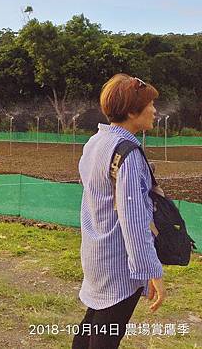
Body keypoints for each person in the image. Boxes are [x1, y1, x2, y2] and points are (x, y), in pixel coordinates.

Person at [72, 74, 166, 349]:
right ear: (131, 111)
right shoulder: (127, 154)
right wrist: (152, 270)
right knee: (105, 335)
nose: (154, 110)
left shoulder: (95, 143)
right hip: (118, 264)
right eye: (149, 104)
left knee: (93, 324)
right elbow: (134, 221)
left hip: (95, 253)